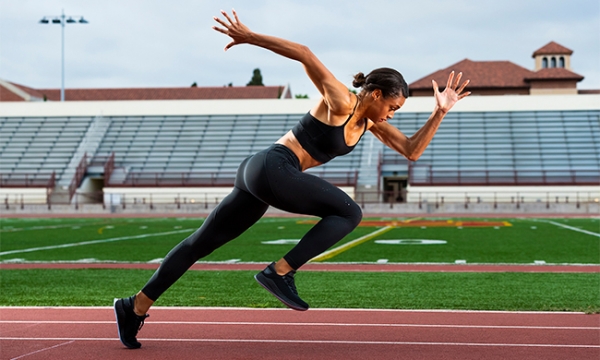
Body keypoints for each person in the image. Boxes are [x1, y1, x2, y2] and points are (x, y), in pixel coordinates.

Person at [114, 9, 470, 349]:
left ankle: (134, 307)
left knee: (200, 244)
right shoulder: (341, 102)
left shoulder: (370, 123)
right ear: (375, 94)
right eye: (393, 107)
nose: (393, 113)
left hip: (259, 174)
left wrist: (440, 112)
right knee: (349, 213)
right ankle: (279, 272)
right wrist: (248, 36)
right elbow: (304, 53)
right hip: (273, 166)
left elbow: (411, 150)